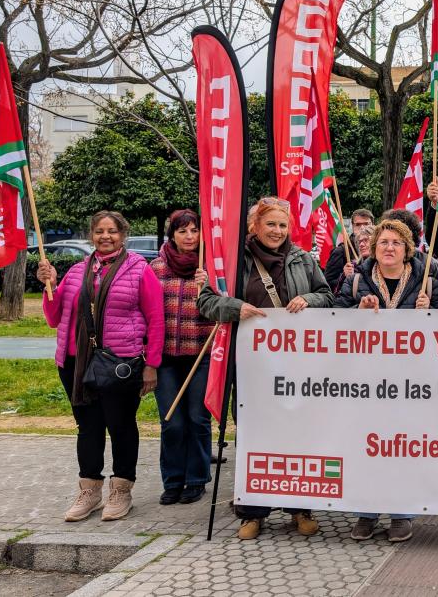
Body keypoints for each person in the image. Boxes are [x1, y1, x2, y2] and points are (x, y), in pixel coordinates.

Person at [197, 197, 333, 540]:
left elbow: (328, 295)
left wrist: (310, 300)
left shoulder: (302, 259)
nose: (277, 231)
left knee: (297, 434)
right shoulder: (233, 260)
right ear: (254, 226)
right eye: (270, 224)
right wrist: (234, 306)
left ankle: (299, 508)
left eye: (282, 225)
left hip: (298, 367)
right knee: (254, 435)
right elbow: (206, 301)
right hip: (252, 369)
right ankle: (252, 512)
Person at [37, 211, 164, 523]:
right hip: (75, 364)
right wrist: (50, 286)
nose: (105, 236)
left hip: (119, 364)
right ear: (91, 235)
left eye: (112, 231)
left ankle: (121, 490)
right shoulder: (77, 271)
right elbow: (54, 318)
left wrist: (152, 365)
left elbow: (156, 319)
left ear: (123, 235)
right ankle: (89, 490)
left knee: (121, 426)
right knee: (88, 428)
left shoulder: (138, 270)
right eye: (99, 231)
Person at [338, 219, 438, 542]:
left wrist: (432, 313)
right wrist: (357, 308)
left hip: (412, 383)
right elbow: (332, 318)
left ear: (407, 250)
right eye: (383, 242)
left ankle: (402, 513)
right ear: (374, 248)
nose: (389, 248)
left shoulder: (426, 281)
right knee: (366, 444)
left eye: (396, 243)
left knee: (402, 446)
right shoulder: (358, 282)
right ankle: (366, 512)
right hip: (366, 382)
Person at [150, 210, 215, 506]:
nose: (189, 237)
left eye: (194, 231)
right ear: (172, 235)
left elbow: (223, 307)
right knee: (172, 421)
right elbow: (147, 311)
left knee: (197, 418)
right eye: (182, 231)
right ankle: (173, 479)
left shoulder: (210, 267)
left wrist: (211, 286)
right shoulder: (156, 268)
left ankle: (196, 479)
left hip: (202, 353)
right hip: (166, 357)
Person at [324, 208, 375, 291]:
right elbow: (327, 284)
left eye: (366, 224)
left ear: (373, 224)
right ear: (352, 226)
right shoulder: (341, 251)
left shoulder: (381, 249)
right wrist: (344, 276)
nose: (362, 227)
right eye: (358, 224)